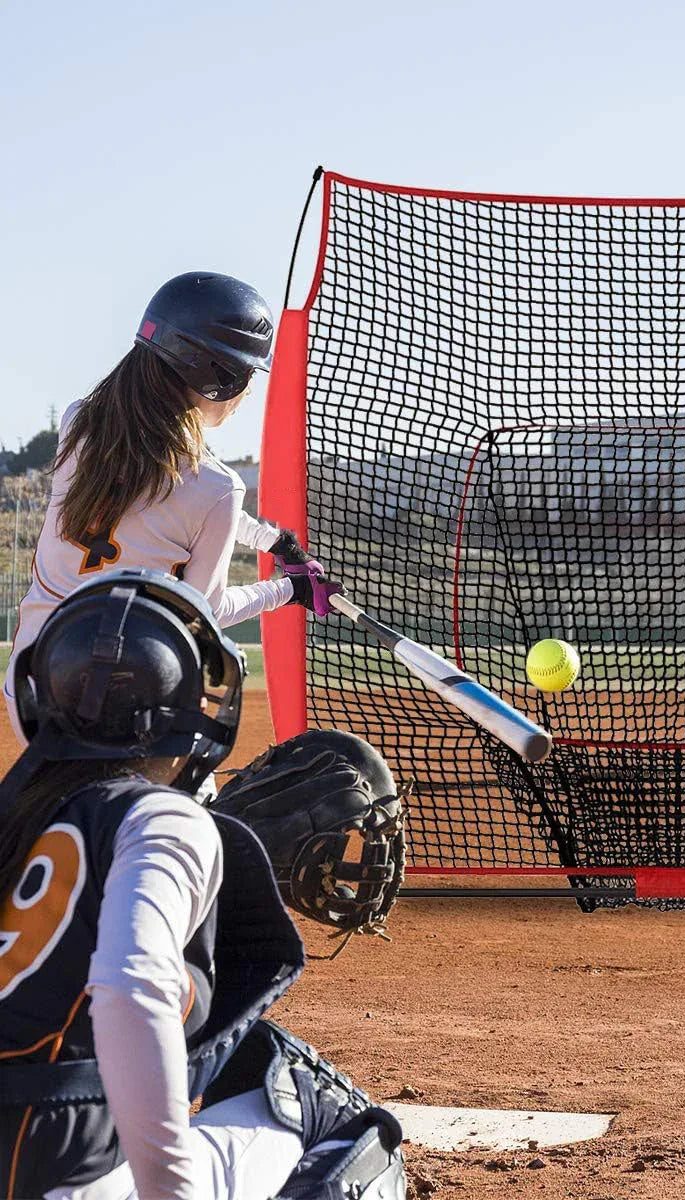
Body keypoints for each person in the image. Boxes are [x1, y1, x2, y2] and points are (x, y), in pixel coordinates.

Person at [0, 569, 405, 1198]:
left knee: (245, 1047)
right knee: (324, 1106)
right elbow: (134, 996)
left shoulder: (15, 816)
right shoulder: (158, 817)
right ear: (198, 709)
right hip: (57, 1176)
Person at [3, 272, 341, 740]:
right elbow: (208, 613)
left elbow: (164, 506)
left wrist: (275, 541)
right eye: (246, 376)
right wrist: (286, 591)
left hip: (31, 694)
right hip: (125, 714)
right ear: (218, 377)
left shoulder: (79, 421)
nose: (246, 393)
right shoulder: (218, 489)